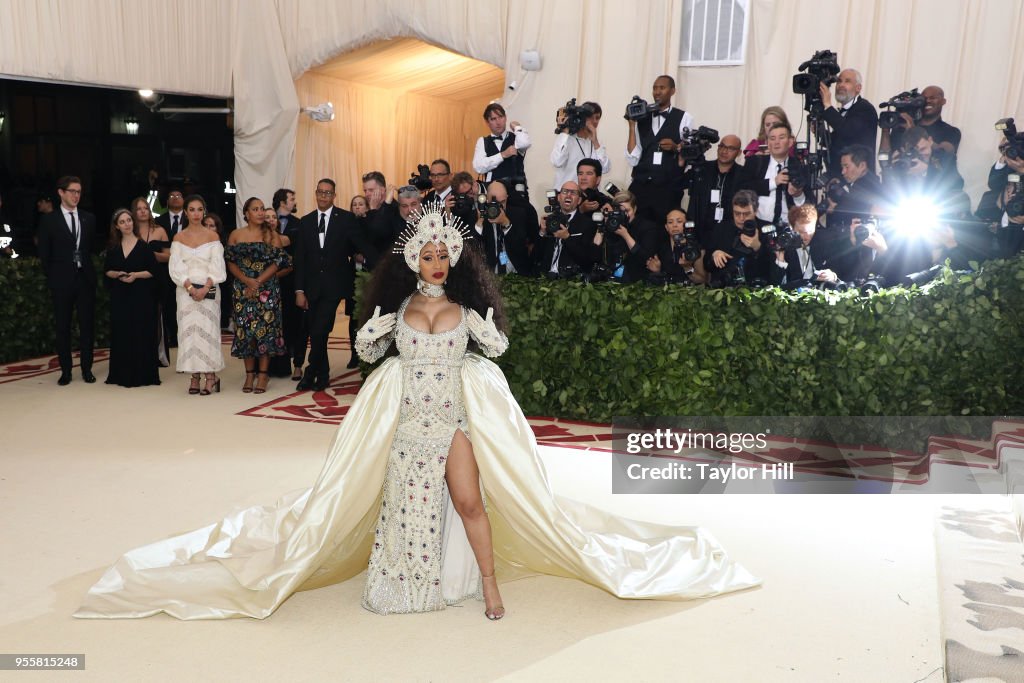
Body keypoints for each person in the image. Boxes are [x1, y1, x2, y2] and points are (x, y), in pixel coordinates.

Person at [74, 203, 758, 622]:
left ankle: (489, 587)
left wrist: (487, 324)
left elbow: (494, 347)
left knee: (468, 501)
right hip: (408, 423)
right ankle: (405, 585)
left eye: (442, 254)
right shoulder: (400, 310)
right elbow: (373, 347)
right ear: (414, 258)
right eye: (425, 254)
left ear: (452, 258)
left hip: (452, 422)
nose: (433, 262)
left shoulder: (464, 307)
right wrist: (372, 326)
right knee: (402, 507)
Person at [294, 178, 377, 391]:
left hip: (334, 286)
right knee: (316, 331)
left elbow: (362, 244)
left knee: (320, 329)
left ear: (334, 195)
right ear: (315, 193)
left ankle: (310, 372)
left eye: (328, 193)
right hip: (311, 286)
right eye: (320, 192)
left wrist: (379, 263)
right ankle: (322, 375)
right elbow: (300, 258)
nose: (323, 196)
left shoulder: (346, 219)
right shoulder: (306, 221)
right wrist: (299, 289)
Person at [37, 175, 97, 386]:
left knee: (87, 326)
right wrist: (55, 277)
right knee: (63, 327)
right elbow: (44, 255)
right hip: (61, 282)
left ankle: (87, 369)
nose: (76, 195)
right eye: (72, 191)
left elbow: (91, 249)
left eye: (79, 191)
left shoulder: (88, 218)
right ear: (61, 192)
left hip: (85, 280)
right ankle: (66, 371)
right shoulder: (49, 220)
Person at [225, 198, 290, 394]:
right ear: (246, 213)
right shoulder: (236, 235)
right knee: (246, 332)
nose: (260, 212)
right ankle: (249, 374)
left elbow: (279, 262)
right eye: (256, 209)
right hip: (243, 289)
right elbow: (230, 262)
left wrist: (258, 281)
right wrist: (247, 280)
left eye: (262, 209)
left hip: (267, 289)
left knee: (266, 332)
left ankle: (263, 375)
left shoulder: (272, 235)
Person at [169, 195, 226, 395]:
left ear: (204, 212)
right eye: (191, 209)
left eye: (199, 209)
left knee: (208, 332)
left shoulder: (213, 237)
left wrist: (204, 288)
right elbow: (175, 268)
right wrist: (191, 288)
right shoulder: (178, 238)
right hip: (186, 292)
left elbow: (217, 267)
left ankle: (211, 376)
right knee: (189, 332)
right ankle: (194, 376)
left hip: (208, 290)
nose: (195, 213)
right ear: (185, 212)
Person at [103, 208, 160, 387]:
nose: (127, 224)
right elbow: (107, 271)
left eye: (129, 220)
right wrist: (118, 274)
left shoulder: (144, 247)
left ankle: (143, 375)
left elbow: (153, 272)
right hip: (120, 296)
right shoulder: (113, 248)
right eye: (122, 222)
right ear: (117, 227)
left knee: (141, 332)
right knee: (122, 333)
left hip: (141, 297)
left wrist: (136, 275)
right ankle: (121, 375)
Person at [626, 75, 693, 224]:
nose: (657, 92)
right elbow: (633, 157)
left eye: (662, 88)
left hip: (668, 188)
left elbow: (690, 152)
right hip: (641, 185)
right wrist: (631, 126)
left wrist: (676, 147)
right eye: (655, 88)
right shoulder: (641, 116)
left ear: (672, 91)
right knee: (636, 227)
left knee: (665, 230)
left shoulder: (684, 117)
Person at [740, 122, 807, 224]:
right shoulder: (755, 162)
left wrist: (798, 194)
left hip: (788, 225)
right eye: (772, 138)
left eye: (781, 138)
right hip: (758, 225)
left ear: (790, 142)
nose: (776, 142)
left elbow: (810, 204)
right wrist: (773, 182)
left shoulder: (800, 167)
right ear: (767, 142)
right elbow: (742, 188)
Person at [684, 134, 744, 246]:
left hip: (729, 236)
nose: (724, 151)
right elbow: (678, 183)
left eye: (730, 148)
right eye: (722, 146)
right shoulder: (702, 169)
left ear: (739, 153)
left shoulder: (743, 174)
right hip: (700, 233)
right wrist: (682, 160)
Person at [132, 197, 171, 367]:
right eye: (139, 208)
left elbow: (170, 256)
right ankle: (138, 354)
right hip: (134, 280)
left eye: (145, 208)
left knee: (156, 316)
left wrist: (151, 256)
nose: (142, 211)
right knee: (136, 317)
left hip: (156, 279)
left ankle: (158, 355)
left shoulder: (160, 230)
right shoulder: (128, 230)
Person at [818, 68, 879, 177]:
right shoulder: (842, 112)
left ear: (858, 88)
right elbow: (838, 141)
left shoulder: (865, 109)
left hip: (861, 182)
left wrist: (827, 105)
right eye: (839, 81)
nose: (841, 85)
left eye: (847, 81)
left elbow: (848, 132)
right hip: (840, 177)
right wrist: (820, 131)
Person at [588, 190, 658, 283]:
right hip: (608, 281)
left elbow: (645, 258)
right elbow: (593, 255)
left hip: (636, 282)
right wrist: (602, 224)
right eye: (620, 211)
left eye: (627, 211)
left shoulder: (647, 227)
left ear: (635, 209)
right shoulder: (611, 224)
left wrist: (626, 235)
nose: (625, 215)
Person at [880, 85, 962, 158]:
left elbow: (945, 153)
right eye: (924, 99)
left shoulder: (951, 131)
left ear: (943, 101)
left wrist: (913, 131)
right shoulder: (901, 128)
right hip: (900, 174)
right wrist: (885, 130)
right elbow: (885, 158)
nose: (928, 101)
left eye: (932, 98)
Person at [551, 101, 610, 188]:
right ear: (582, 118)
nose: (594, 121)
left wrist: (595, 142)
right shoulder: (567, 139)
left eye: (597, 118)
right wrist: (564, 132)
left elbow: (605, 169)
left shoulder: (597, 142)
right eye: (590, 117)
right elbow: (557, 162)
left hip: (589, 197)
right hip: (567, 195)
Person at [472, 102, 531, 184]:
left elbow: (525, 143)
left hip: (517, 191)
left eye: (501, 117)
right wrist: (502, 155)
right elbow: (478, 167)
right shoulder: (482, 141)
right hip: (493, 190)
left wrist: (517, 127)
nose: (498, 122)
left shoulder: (516, 137)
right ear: (487, 122)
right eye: (493, 119)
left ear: (506, 117)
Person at [646, 208, 707, 285]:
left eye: (679, 221)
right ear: (666, 227)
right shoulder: (660, 247)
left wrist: (687, 268)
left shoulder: (696, 247)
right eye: (670, 222)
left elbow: (701, 280)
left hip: (689, 293)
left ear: (687, 225)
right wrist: (658, 271)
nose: (674, 225)